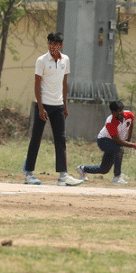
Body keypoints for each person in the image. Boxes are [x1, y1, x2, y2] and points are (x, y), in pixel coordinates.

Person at [22, 32, 83, 186]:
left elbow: (64, 82)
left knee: (60, 140)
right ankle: (29, 174)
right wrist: (41, 107)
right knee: (36, 138)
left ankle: (63, 176)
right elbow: (37, 84)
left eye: (55, 44)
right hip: (43, 104)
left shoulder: (65, 60)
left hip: (58, 106)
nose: (52, 47)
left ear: (60, 45)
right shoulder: (41, 60)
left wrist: (65, 105)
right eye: (50, 44)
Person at [77, 101, 136, 184]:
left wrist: (128, 139)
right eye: (117, 112)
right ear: (112, 112)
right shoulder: (110, 122)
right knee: (119, 149)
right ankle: (117, 177)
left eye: (121, 110)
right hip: (103, 140)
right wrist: (134, 145)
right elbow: (118, 141)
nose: (119, 113)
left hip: (114, 143)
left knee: (104, 169)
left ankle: (82, 169)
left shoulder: (129, 114)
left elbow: (130, 125)